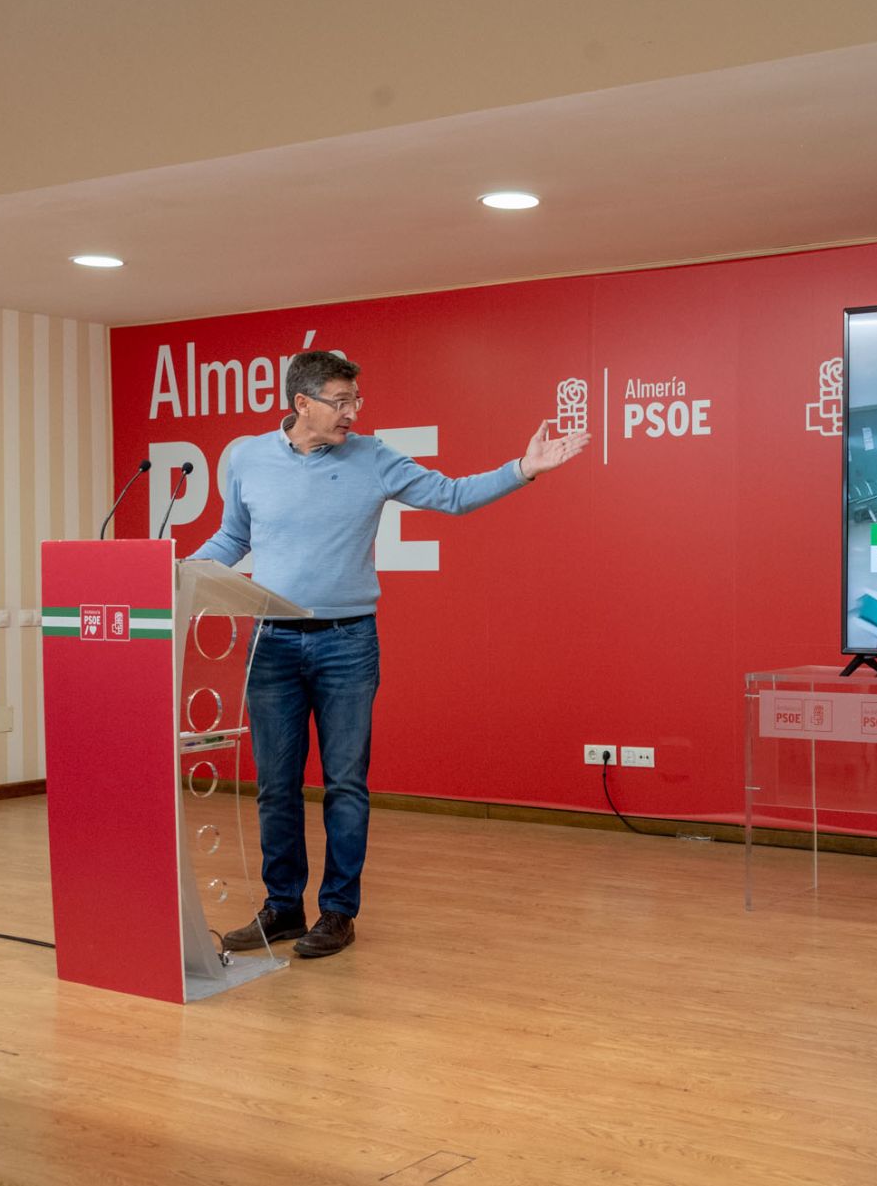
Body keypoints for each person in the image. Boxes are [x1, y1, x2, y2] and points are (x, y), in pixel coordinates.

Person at [189, 349, 590, 958]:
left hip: (348, 642)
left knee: (346, 784)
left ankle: (337, 914)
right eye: (341, 401)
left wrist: (523, 468)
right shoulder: (245, 458)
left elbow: (451, 496)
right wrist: (178, 571)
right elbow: (234, 536)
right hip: (270, 642)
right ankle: (281, 909)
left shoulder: (373, 458)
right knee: (275, 784)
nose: (353, 412)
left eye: (357, 401)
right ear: (302, 404)